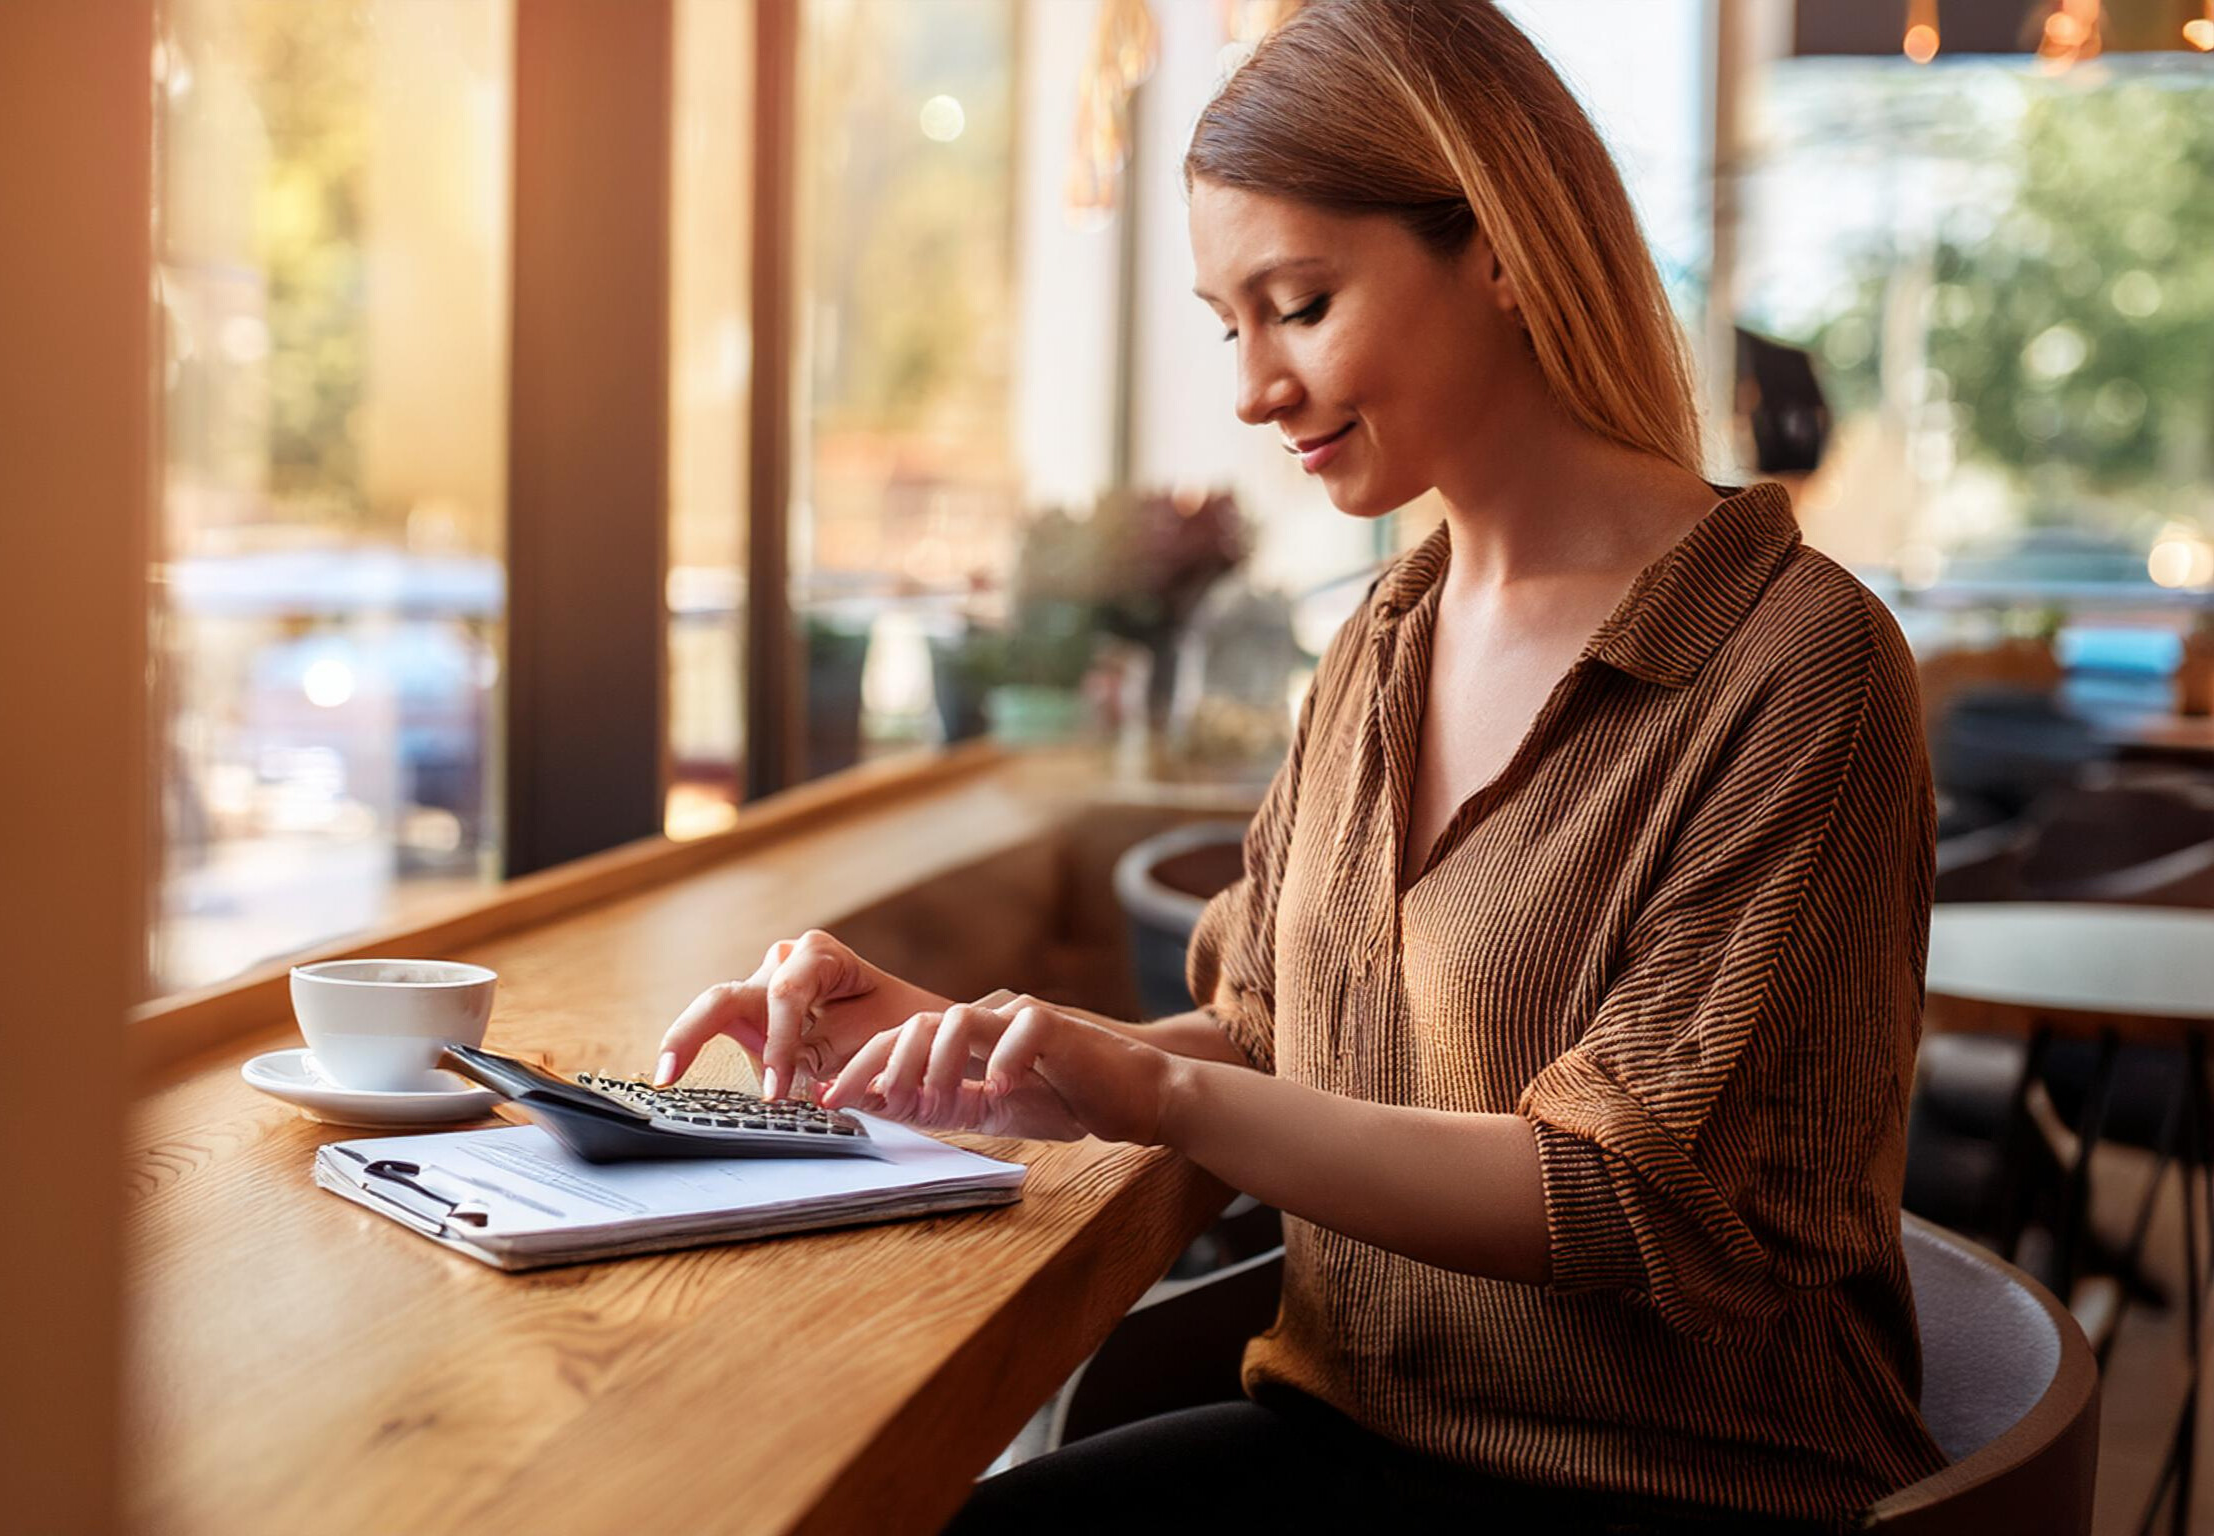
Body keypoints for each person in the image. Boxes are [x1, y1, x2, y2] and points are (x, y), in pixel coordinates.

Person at [655, 2, 1945, 1530]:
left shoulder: (1796, 662)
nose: (1256, 387)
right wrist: (955, 1041)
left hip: (1680, 1485)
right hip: (1358, 1432)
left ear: (1503, 246)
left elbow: (1624, 1194)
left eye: (1301, 303)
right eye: (1228, 324)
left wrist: (1149, 1093)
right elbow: (1275, 1041)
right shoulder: (1385, 639)